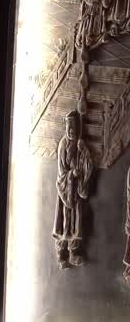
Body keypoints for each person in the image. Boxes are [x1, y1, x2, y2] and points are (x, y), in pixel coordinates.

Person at [55, 110, 96, 268]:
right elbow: (61, 172)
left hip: (76, 189)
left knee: (76, 221)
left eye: (74, 129)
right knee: (64, 221)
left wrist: (83, 149)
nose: (71, 131)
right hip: (66, 190)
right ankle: (61, 254)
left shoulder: (79, 143)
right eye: (69, 129)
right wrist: (71, 174)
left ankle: (73, 252)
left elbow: (87, 163)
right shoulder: (63, 145)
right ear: (66, 128)